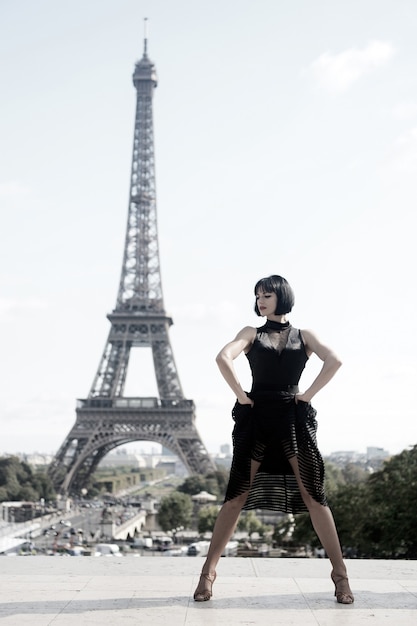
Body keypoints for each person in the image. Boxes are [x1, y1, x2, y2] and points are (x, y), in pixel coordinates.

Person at [193, 275, 354, 604]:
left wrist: (306, 395)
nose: (261, 301)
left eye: (266, 295)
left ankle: (340, 577)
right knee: (236, 496)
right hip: (259, 419)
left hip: (293, 419)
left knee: (314, 496)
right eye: (257, 296)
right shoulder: (251, 333)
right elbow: (223, 357)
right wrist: (241, 396)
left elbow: (335, 360)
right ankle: (208, 574)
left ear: (282, 296)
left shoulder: (304, 335)